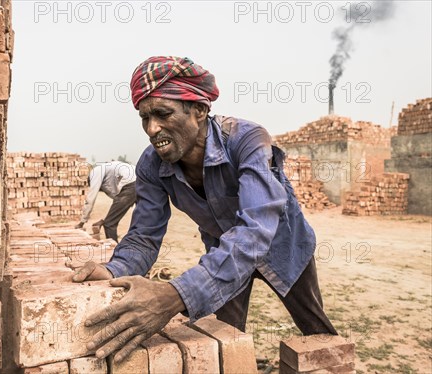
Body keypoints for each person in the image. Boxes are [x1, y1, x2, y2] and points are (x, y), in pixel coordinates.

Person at [73, 56, 337, 363]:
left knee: (317, 334)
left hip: (284, 247)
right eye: (144, 118)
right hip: (223, 254)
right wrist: (112, 269)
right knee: (220, 342)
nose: (152, 128)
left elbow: (255, 230)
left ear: (198, 111)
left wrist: (176, 295)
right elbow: (144, 237)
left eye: (162, 113)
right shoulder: (150, 165)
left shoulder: (247, 140)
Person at [75, 161, 137, 242]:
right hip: (142, 179)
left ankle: (114, 251)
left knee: (109, 224)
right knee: (141, 219)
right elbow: (117, 205)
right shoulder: (108, 172)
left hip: (131, 183)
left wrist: (82, 222)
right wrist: (104, 220)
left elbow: (90, 199)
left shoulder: (95, 173)